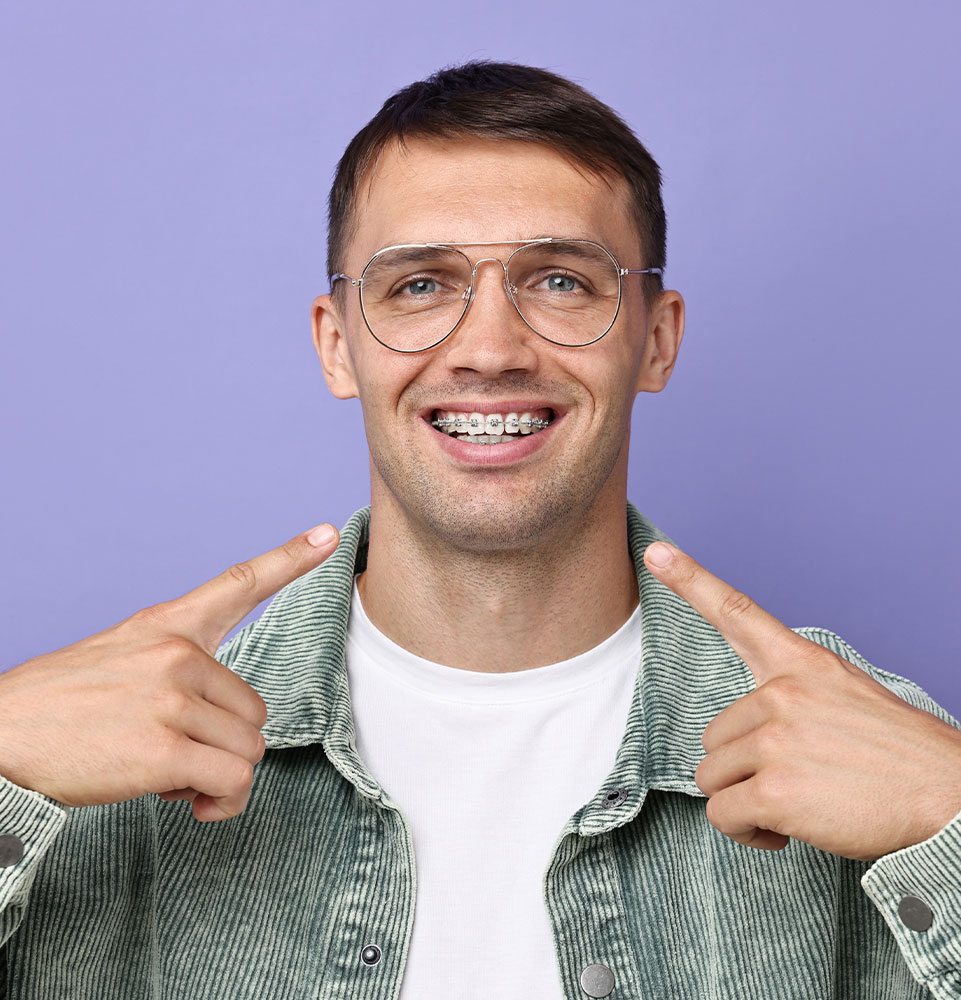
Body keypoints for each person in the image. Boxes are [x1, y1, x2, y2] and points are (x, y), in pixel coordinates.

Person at [0, 61, 959, 1000]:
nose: (491, 349)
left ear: (656, 338)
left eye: (560, 281)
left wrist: (952, 815)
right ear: (337, 344)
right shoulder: (80, 761)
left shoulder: (876, 756)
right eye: (419, 285)